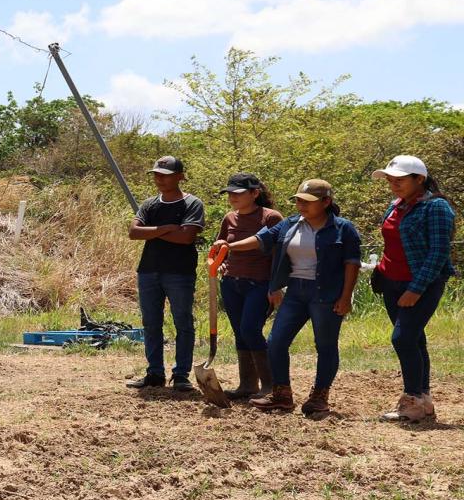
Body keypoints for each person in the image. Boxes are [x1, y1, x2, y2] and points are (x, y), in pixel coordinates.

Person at [214, 179, 361, 417]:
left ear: (326, 202)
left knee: (325, 346)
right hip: (295, 291)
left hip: (326, 294)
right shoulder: (290, 224)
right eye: (299, 200)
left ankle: (319, 397)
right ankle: (282, 394)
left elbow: (351, 264)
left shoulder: (343, 228)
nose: (301, 205)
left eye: (308, 201)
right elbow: (261, 239)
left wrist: (345, 297)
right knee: (276, 342)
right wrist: (229, 246)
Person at [370, 155, 456, 423]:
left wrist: (417, 288)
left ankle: (412, 399)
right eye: (390, 180)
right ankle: (423, 401)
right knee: (415, 339)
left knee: (403, 339)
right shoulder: (396, 205)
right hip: (391, 282)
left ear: (419, 179)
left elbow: (438, 252)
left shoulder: (437, 207)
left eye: (400, 180)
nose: (393, 184)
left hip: (421, 283)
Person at [125, 156, 206, 392]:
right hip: (149, 271)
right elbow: (133, 232)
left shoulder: (192, 204)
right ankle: (155, 373)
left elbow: (186, 237)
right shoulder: (150, 204)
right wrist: (165, 229)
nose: (160, 179)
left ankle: (181, 375)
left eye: (166, 174)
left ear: (180, 176)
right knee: (151, 323)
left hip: (179, 272)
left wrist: (151, 232)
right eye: (157, 174)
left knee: (183, 322)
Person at [214, 173, 283, 399]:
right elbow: (220, 248)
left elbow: (278, 255)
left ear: (255, 193)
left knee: (250, 330)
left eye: (238, 193)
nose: (232, 197)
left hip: (259, 282)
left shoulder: (271, 217)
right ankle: (247, 385)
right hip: (232, 283)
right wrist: (221, 263)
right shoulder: (229, 218)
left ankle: (270, 385)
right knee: (240, 333)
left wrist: (276, 287)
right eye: (230, 193)